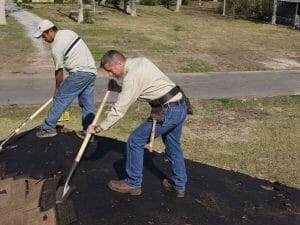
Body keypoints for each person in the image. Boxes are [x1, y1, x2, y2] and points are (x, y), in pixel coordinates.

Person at [88, 50, 189, 197]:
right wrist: (118, 88)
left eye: (110, 70)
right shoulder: (140, 62)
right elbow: (142, 86)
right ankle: (179, 185)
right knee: (173, 146)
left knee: (135, 141)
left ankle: (133, 183)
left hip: (168, 112)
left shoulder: (132, 77)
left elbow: (119, 110)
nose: (110, 74)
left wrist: (99, 127)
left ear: (119, 63)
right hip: (180, 105)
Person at [33, 19, 97, 138]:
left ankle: (48, 128)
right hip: (91, 72)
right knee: (86, 103)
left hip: (79, 73)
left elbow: (59, 71)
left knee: (60, 98)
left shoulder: (56, 46)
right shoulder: (69, 32)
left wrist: (58, 88)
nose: (43, 39)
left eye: (43, 35)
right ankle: (88, 132)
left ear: (50, 31)